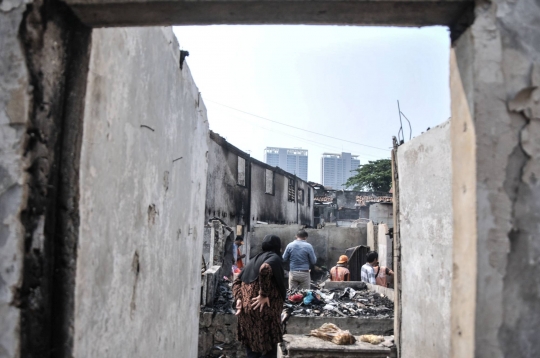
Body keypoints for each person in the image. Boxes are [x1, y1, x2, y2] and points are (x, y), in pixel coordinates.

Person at [233, 235, 286, 358]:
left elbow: (236, 281)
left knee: (252, 346)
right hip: (265, 312)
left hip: (247, 310)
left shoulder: (253, 260)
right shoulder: (274, 258)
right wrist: (263, 294)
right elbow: (265, 269)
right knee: (269, 348)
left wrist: (239, 298)